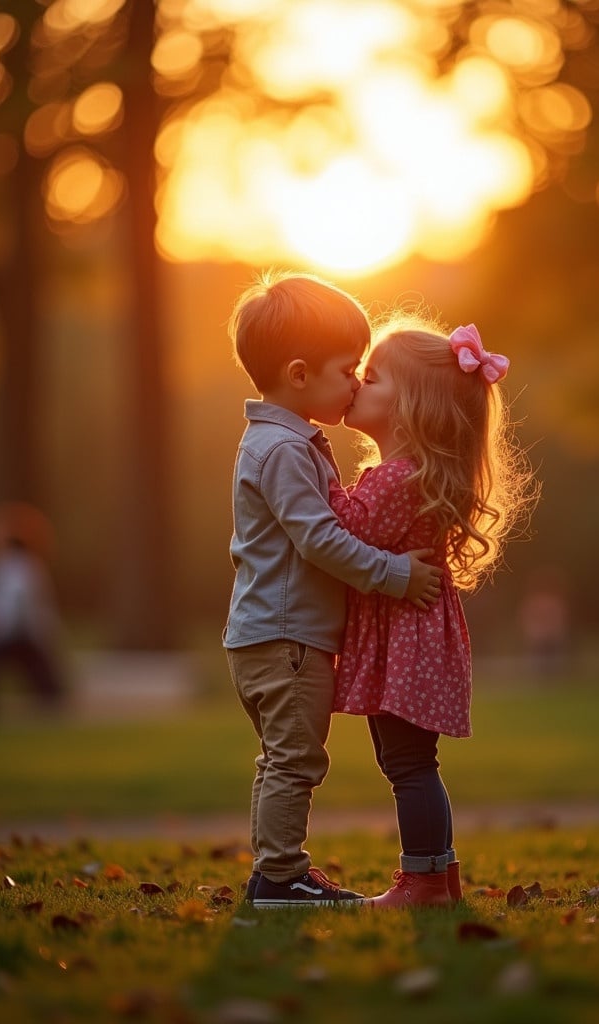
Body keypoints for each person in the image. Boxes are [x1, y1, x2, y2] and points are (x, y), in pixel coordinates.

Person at [223, 271, 443, 910]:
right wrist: (396, 574)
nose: (355, 382)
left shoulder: (284, 443)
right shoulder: (283, 452)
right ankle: (278, 879)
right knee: (293, 760)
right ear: (298, 374)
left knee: (284, 757)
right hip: (286, 637)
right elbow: (320, 540)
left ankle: (279, 872)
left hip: (276, 633)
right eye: (348, 369)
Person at [329, 318, 530, 907]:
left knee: (407, 765)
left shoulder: (396, 478)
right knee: (417, 762)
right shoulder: (416, 474)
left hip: (405, 647)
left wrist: (314, 475)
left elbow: (343, 533)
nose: (356, 386)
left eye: (371, 377)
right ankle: (439, 876)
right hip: (416, 640)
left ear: (409, 404)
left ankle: (421, 881)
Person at [0, 530, 65, 714]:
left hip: (14, 631)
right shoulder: (30, 565)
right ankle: (52, 697)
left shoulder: (12, 567)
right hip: (24, 630)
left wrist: (0, 628)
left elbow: (14, 602)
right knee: (40, 667)